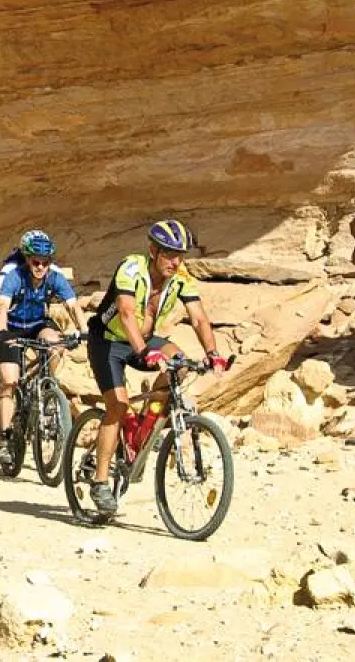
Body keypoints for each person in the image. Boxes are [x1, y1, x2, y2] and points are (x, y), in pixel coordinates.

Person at [85, 219, 227, 515]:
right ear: (153, 250)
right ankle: (99, 482)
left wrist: (213, 353)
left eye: (180, 255)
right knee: (117, 406)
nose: (175, 262)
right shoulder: (131, 268)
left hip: (144, 339)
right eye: (169, 254)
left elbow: (199, 318)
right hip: (108, 341)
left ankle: (143, 428)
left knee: (181, 365)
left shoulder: (181, 278)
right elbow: (125, 313)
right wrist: (143, 352)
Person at [0, 230, 86, 465]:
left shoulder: (54, 277)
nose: (41, 267)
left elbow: (73, 306)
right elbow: (2, 307)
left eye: (45, 262)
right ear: (27, 259)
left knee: (55, 345)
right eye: (36, 262)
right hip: (12, 326)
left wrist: (84, 330)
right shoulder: (15, 276)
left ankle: (46, 388)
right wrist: (3, 333)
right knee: (9, 379)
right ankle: (4, 438)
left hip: (37, 323)